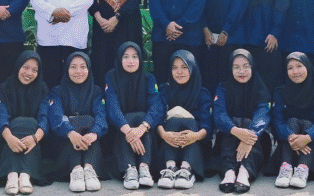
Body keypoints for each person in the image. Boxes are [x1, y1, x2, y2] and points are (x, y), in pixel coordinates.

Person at [0, 51, 50, 194]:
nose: (29, 73)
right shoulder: (5, 88)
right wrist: (9, 137)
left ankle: (24, 176)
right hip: (7, 140)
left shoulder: (42, 89)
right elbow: (1, 115)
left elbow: (44, 116)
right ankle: (12, 175)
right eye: (25, 67)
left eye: (34, 70)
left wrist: (35, 138)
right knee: (18, 122)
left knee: (30, 122)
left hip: (33, 142)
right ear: (18, 66)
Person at [47, 52, 107, 193]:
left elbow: (101, 115)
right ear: (67, 69)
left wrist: (94, 133)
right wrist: (70, 132)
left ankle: (89, 169)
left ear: (89, 69)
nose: (78, 71)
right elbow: (56, 115)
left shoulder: (96, 91)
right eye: (73, 67)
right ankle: (76, 170)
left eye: (82, 67)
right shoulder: (57, 91)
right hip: (65, 144)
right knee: (73, 121)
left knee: (89, 120)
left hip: (90, 140)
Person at [105, 42, 162, 190]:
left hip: (144, 130)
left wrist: (142, 127)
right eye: (126, 57)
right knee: (130, 118)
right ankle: (129, 169)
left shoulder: (149, 78)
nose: (130, 61)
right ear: (119, 58)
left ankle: (144, 167)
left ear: (140, 58)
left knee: (141, 116)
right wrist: (129, 131)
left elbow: (156, 106)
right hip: (121, 130)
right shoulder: (111, 76)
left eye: (135, 57)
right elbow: (112, 106)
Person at [213, 49, 271, 194]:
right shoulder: (223, 87)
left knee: (248, 123)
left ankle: (245, 171)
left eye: (246, 66)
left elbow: (263, 114)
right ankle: (229, 171)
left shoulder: (260, 87)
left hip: (255, 139)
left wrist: (249, 136)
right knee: (235, 122)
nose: (241, 71)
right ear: (230, 69)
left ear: (252, 67)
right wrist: (235, 130)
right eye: (236, 67)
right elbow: (219, 114)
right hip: (229, 136)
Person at [270, 53, 314, 189]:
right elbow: (277, 119)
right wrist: (290, 136)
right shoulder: (280, 92)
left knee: (308, 123)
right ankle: (285, 168)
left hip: (313, 146)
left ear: (308, 67)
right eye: (290, 68)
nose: (295, 71)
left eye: (299, 66)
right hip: (287, 144)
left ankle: (303, 169)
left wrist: (307, 137)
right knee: (292, 121)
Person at [155, 50, 211, 190]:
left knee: (190, 122)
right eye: (175, 68)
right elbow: (158, 117)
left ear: (192, 68)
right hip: (168, 142)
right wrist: (164, 134)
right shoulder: (165, 90)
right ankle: (170, 168)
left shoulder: (202, 93)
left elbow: (207, 125)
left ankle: (187, 170)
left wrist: (195, 136)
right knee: (173, 120)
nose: (179, 72)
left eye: (184, 67)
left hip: (194, 144)